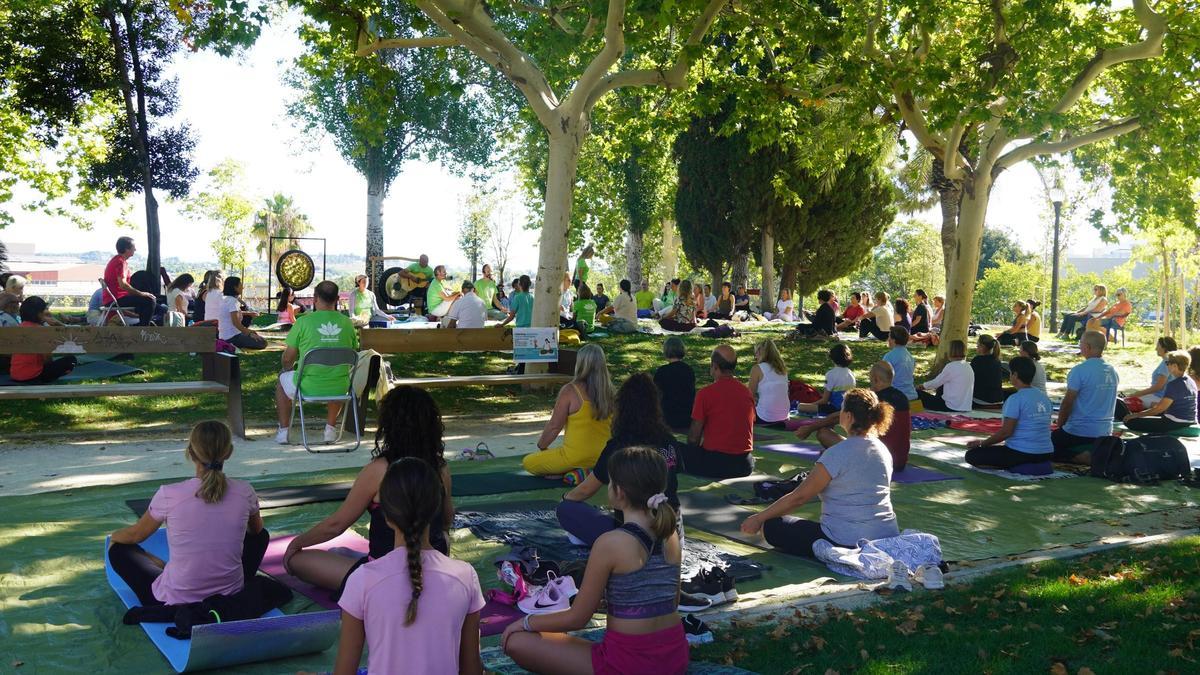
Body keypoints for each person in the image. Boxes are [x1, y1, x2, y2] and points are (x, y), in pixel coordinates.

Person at [504, 447, 687, 675]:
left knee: (517, 641)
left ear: (618, 491)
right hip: (675, 657)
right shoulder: (671, 535)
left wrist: (525, 623)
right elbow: (672, 601)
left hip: (627, 664)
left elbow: (577, 618)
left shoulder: (610, 542)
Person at [284, 386, 454, 594]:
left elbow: (336, 525)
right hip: (432, 565)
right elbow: (446, 520)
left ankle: (361, 563)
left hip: (382, 574)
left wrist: (296, 544)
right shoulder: (440, 467)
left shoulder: (379, 470)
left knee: (297, 560)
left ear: (389, 426)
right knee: (342, 553)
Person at [333, 457, 483, 675]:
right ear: (436, 509)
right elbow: (471, 668)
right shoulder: (464, 576)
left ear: (386, 513)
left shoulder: (362, 580)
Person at [108, 421, 267, 607]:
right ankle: (173, 570)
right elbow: (257, 531)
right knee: (260, 536)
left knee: (119, 549)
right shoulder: (245, 491)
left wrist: (114, 537)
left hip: (174, 600)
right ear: (229, 452)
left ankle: (167, 569)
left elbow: (136, 535)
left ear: (190, 453)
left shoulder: (169, 494)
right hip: (230, 596)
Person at [740, 389, 899, 557]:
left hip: (845, 540)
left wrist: (758, 518)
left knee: (771, 526)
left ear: (849, 417)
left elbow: (799, 497)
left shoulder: (837, 453)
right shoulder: (883, 450)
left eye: (842, 410)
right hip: (886, 536)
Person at [558, 375, 681, 546]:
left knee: (566, 509)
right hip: (670, 528)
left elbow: (585, 490)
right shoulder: (669, 441)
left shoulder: (619, 448)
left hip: (634, 534)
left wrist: (565, 499)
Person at [274, 281, 359, 444]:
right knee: (335, 375)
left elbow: (287, 358)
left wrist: (286, 370)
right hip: (341, 387)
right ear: (337, 299)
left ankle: (284, 431)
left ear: (315, 298)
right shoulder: (347, 323)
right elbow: (352, 351)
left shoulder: (303, 322)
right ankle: (330, 430)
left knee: (281, 383)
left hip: (307, 385)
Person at [795, 361, 911, 471]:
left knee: (823, 433)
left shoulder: (873, 401)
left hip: (876, 460)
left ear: (875, 379)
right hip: (899, 462)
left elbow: (837, 417)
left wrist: (810, 428)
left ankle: (837, 453)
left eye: (870, 379)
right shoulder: (903, 398)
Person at [523, 344, 615, 476]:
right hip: (604, 458)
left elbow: (555, 426)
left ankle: (577, 471)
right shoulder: (611, 392)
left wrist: (542, 446)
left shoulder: (570, 390)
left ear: (580, 363)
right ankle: (589, 472)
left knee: (529, 462)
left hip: (574, 457)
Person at [679, 345, 756, 479]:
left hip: (714, 463)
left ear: (714, 366)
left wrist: (692, 453)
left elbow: (693, 438)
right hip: (744, 464)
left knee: (671, 448)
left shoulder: (705, 394)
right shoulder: (746, 392)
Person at [965, 356, 1054, 469]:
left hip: (1022, 453)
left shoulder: (1015, 399)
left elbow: (1006, 432)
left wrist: (982, 444)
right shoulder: (1044, 397)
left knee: (972, 455)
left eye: (1011, 373)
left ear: (1015, 375)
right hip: (1046, 453)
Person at [1052, 330, 1119, 465]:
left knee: (1040, 445)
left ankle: (1077, 457)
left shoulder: (1080, 370)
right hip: (1105, 432)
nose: (1079, 346)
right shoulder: (1112, 370)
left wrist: (1060, 426)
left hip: (1080, 431)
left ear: (1087, 347)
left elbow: (1067, 403)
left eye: (1080, 343)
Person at [1123, 350, 1197, 433]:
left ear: (1174, 366)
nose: (1167, 365)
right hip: (1190, 419)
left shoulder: (1173, 384)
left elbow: (1159, 409)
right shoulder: (1191, 381)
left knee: (1130, 422)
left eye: (1167, 363)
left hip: (1175, 422)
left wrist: (1136, 415)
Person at [10, 297, 78, 383]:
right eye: (44, 311)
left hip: (15, 375)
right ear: (39, 314)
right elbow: (47, 359)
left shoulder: (18, 328)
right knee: (71, 360)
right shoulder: (42, 331)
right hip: (34, 376)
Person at [103, 236, 156, 326]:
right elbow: (123, 284)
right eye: (133, 247)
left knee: (146, 302)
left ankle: (140, 325)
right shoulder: (120, 262)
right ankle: (144, 329)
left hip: (112, 299)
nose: (135, 249)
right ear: (127, 249)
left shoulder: (116, 260)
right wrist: (142, 293)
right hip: (115, 300)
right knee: (150, 300)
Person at [796, 344, 855, 415]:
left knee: (800, 406)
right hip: (849, 408)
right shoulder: (851, 373)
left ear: (833, 358)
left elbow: (825, 400)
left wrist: (811, 404)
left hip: (834, 409)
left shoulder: (831, 374)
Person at [917, 339, 974, 412]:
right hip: (965, 406)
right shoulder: (968, 366)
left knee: (917, 393)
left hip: (951, 406)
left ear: (950, 351)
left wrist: (922, 386)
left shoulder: (951, 366)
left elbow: (935, 383)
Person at [653, 336, 696, 431]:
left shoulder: (662, 371)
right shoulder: (688, 370)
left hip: (668, 416)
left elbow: (656, 395)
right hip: (686, 416)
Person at [1126, 336, 1177, 408]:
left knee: (1127, 402)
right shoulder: (1170, 361)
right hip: (1160, 396)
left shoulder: (1166, 363)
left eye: (1158, 346)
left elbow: (1158, 387)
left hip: (1160, 398)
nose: (1156, 348)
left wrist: (1136, 394)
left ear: (1164, 348)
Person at [217, 277, 266, 350]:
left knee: (257, 337)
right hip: (232, 337)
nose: (242, 287)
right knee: (262, 342)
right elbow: (236, 323)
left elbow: (233, 315)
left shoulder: (226, 299)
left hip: (225, 335)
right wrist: (249, 332)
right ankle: (232, 345)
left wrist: (249, 332)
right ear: (235, 287)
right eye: (240, 285)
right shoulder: (232, 301)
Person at [749, 338, 790, 425]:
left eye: (755, 353)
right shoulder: (782, 369)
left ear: (760, 352)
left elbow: (749, 396)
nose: (755, 357)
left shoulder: (757, 368)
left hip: (765, 417)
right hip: (784, 416)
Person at [883, 326, 917, 401]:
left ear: (893, 340)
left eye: (889, 337)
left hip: (897, 397)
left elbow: (882, 378)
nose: (887, 339)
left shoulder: (889, 356)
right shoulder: (909, 356)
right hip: (912, 394)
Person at [971, 333, 1005, 406]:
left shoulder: (977, 360)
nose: (976, 348)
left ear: (982, 347)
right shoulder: (997, 360)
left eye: (977, 346)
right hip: (999, 399)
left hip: (982, 400)